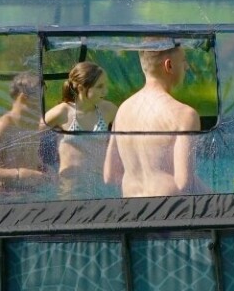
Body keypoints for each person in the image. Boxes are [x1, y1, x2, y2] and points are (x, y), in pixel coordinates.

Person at [104, 40, 200, 197]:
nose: (186, 67)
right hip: (168, 208)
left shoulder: (122, 110)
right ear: (169, 65)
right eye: (183, 61)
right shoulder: (184, 115)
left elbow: (110, 175)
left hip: (131, 207)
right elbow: (184, 184)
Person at [43, 59, 110, 193]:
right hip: (70, 186)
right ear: (81, 88)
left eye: (105, 86)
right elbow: (30, 131)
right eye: (100, 87)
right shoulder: (63, 112)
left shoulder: (108, 110)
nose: (105, 91)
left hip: (99, 186)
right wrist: (42, 165)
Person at [0, 72, 50, 191]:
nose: (43, 104)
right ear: (23, 98)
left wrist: (45, 170)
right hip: (5, 194)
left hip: (31, 191)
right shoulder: (4, 125)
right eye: (39, 99)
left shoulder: (31, 124)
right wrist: (19, 174)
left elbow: (30, 156)